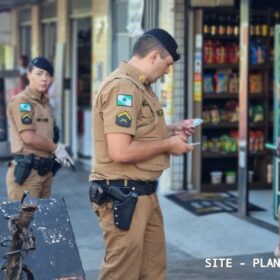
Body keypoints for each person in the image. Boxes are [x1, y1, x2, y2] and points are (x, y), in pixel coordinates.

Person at [89, 28, 195, 280]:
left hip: (143, 193)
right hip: (124, 196)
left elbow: (139, 130)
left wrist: (171, 129)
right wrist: (168, 145)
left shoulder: (142, 86)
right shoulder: (123, 88)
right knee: (122, 274)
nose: (168, 71)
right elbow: (120, 150)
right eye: (167, 64)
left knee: (153, 271)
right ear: (154, 57)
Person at [6, 56, 74, 201]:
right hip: (27, 173)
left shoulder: (45, 103)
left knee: (42, 221)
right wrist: (56, 148)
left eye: (48, 75)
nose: (44, 78)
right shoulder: (23, 102)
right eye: (39, 73)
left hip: (45, 172)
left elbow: (48, 134)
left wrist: (58, 150)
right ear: (29, 74)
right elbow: (28, 137)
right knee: (23, 220)